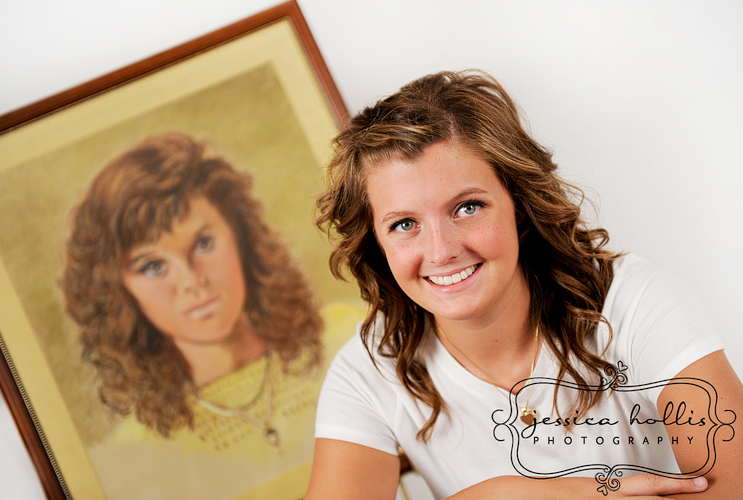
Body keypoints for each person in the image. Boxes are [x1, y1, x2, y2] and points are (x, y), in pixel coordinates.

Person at [307, 70, 743, 499]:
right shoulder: (367, 372)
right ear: (377, 243)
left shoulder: (635, 302)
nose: (441, 252)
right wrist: (498, 495)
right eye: (404, 224)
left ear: (518, 204)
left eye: (468, 207)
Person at [61, 132, 364, 500]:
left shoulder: (351, 334)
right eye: (154, 266)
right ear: (118, 291)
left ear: (241, 237)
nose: (192, 281)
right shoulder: (138, 452)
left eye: (203, 244)